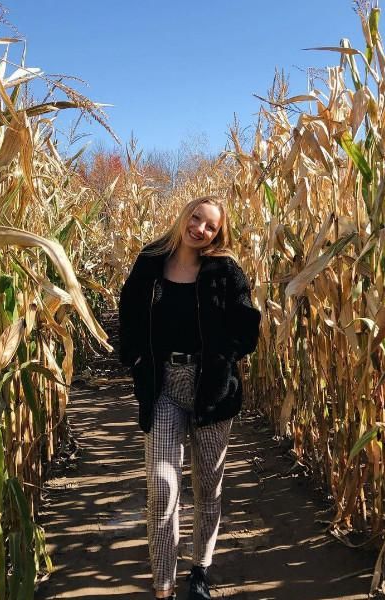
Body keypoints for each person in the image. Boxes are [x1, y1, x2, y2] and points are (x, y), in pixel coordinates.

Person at [116, 195, 261, 599]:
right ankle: (163, 583)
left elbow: (248, 327)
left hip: (211, 390)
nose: (200, 229)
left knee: (207, 487)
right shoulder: (150, 261)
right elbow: (128, 313)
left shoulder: (225, 271)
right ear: (184, 216)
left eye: (210, 226)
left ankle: (200, 569)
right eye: (196, 218)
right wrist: (136, 359)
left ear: (218, 233)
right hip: (162, 386)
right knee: (162, 487)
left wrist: (223, 359)